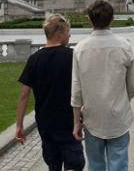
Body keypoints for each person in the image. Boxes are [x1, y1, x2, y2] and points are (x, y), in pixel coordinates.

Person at [71, 0, 134, 171]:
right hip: (118, 117)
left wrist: (76, 122)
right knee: (119, 165)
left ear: (89, 20)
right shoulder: (124, 46)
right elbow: (132, 86)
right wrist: (123, 101)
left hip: (92, 117)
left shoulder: (80, 49)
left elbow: (76, 91)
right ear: (112, 19)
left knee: (95, 165)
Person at [16, 14, 85, 171]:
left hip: (45, 122)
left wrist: (19, 125)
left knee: (53, 164)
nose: (70, 35)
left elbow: (24, 95)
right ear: (59, 33)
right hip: (68, 120)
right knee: (74, 162)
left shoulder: (34, 59)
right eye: (68, 32)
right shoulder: (72, 56)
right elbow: (82, 87)